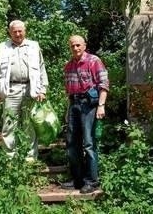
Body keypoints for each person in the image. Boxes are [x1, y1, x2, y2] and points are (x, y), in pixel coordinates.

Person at [0, 20, 48, 161]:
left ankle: (30, 159)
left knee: (29, 125)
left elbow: (41, 68)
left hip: (31, 88)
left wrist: (43, 89)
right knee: (9, 125)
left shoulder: (34, 46)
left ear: (25, 31)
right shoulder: (3, 47)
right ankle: (10, 159)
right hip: (10, 89)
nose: (17, 34)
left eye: (20, 31)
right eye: (14, 31)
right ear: (10, 32)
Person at [61, 35, 109, 194]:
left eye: (78, 45)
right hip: (74, 104)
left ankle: (92, 181)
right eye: (72, 46)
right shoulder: (68, 66)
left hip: (89, 105)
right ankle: (77, 179)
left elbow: (104, 84)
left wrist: (101, 105)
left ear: (84, 45)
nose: (75, 48)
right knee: (72, 144)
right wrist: (68, 110)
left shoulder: (94, 61)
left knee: (88, 143)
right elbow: (68, 91)